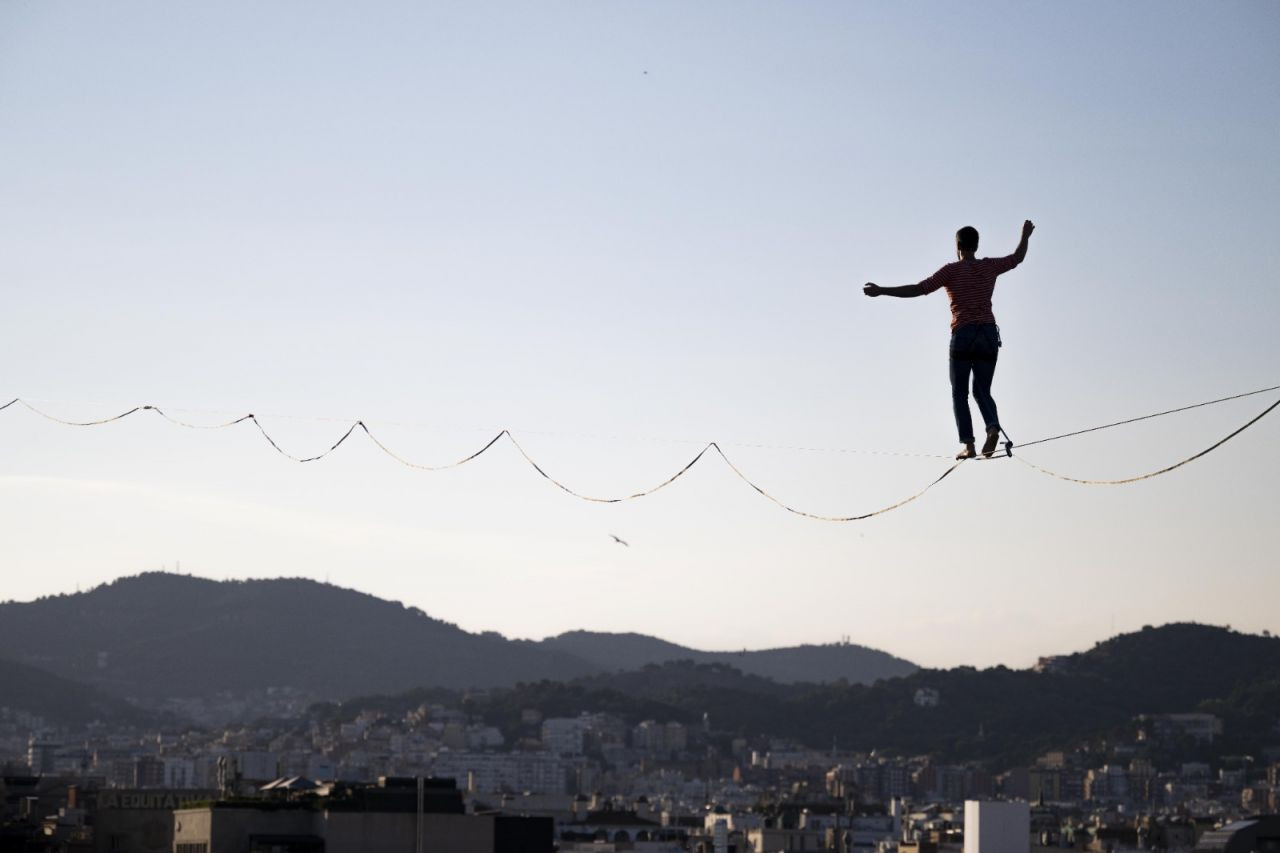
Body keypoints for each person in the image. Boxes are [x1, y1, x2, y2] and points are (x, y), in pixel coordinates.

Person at [863, 220, 1035, 459]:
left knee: (959, 392)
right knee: (982, 389)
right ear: (977, 245)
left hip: (963, 333)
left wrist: (882, 290)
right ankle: (992, 426)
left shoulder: (951, 271)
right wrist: (1025, 235)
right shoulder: (989, 267)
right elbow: (1017, 258)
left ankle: (969, 444)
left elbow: (918, 288)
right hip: (987, 332)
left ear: (958, 246)